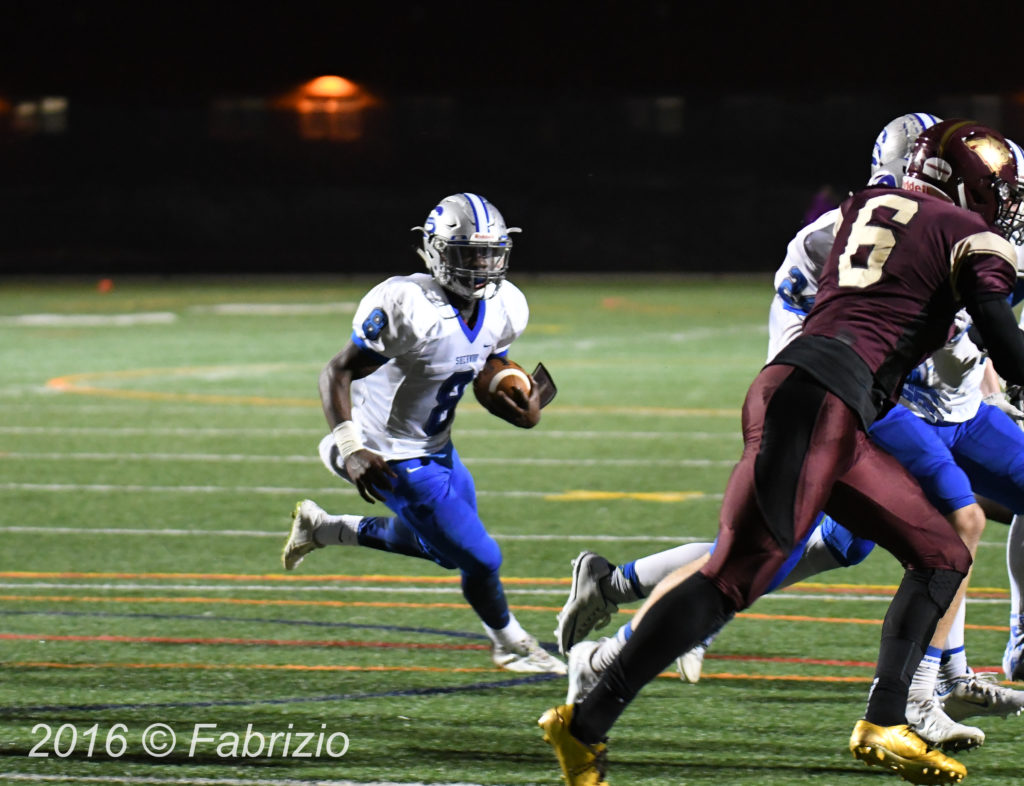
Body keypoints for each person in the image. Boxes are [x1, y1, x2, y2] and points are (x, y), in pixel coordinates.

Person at [539, 120, 1024, 786]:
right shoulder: (961, 232)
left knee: (941, 551)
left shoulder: (863, 209)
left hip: (835, 403)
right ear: (974, 185)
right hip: (820, 401)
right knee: (733, 579)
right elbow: (999, 332)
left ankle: (886, 720)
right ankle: (585, 718)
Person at [281, 192, 565, 675]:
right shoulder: (407, 304)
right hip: (386, 453)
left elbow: (484, 360)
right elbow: (336, 372)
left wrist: (510, 388)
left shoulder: (505, 305)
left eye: (488, 254)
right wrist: (351, 449)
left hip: (438, 447)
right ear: (434, 252)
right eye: (466, 254)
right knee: (481, 557)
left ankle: (325, 528)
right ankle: (511, 643)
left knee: (442, 549)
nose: (479, 265)